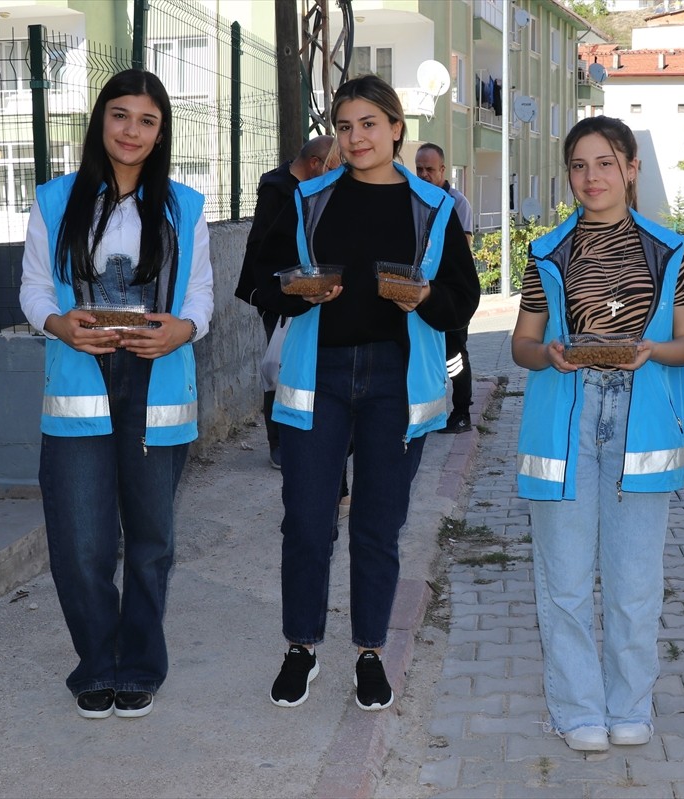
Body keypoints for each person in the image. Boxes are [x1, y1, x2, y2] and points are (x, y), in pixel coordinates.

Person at [250, 75, 479, 711]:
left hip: (395, 381)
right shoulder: (307, 200)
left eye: (369, 125)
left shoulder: (433, 207)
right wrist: (296, 291)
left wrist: (424, 297)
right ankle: (301, 646)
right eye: (345, 127)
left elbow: (464, 298)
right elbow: (261, 280)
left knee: (378, 526)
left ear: (396, 128)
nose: (356, 138)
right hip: (315, 375)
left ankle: (370, 652)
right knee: (306, 520)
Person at [18, 69, 214, 720]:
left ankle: (139, 665)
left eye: (147, 120)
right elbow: (36, 289)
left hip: (157, 384)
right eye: (121, 115)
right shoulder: (53, 200)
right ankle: (96, 664)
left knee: (151, 540)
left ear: (161, 135)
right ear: (101, 121)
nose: (132, 131)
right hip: (81, 382)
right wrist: (57, 324)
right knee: (81, 543)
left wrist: (182, 329)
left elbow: (202, 298)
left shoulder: (185, 206)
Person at [512, 116, 684, 752]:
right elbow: (522, 345)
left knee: (634, 583)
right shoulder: (546, 251)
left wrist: (650, 351)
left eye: (604, 163)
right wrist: (553, 355)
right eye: (578, 165)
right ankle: (576, 711)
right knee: (563, 581)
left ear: (630, 169)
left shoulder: (669, 249)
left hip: (640, 429)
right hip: (560, 432)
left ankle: (630, 706)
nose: (591, 177)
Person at [236, 134, 335, 470]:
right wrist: (292, 285)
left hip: (311, 291)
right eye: (331, 167)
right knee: (278, 366)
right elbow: (265, 249)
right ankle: (277, 442)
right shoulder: (278, 190)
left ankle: (306, 433)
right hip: (281, 294)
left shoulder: (308, 188)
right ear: (314, 163)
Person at [414, 142, 477, 434]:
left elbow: (459, 251)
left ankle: (462, 412)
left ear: (442, 170)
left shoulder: (455, 203)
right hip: (420, 296)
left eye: (430, 169)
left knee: (454, 356)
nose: (424, 175)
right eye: (419, 169)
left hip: (448, 294)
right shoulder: (415, 200)